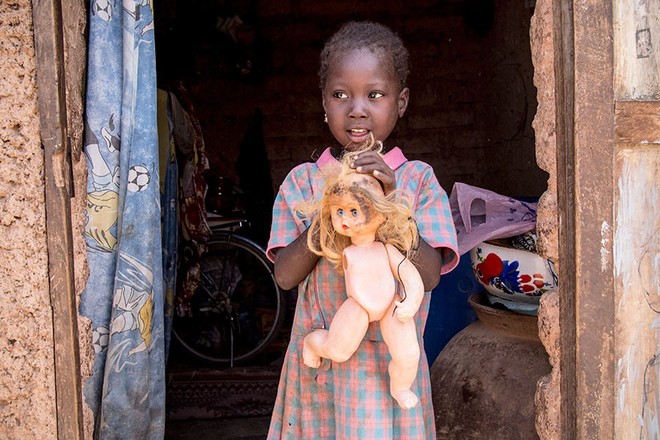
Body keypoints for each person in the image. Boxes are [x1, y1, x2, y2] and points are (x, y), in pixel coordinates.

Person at [266, 20, 459, 439]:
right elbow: (284, 275)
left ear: (401, 102)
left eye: (375, 95)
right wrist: (337, 207)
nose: (357, 109)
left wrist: (385, 207)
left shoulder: (418, 181)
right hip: (321, 376)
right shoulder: (304, 183)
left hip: (389, 373)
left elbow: (428, 276)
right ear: (324, 102)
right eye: (340, 95)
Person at [301, 141, 425, 410]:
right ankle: (312, 343)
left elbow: (409, 273)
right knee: (338, 350)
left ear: (381, 215)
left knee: (408, 353)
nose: (345, 219)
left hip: (392, 306)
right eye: (339, 211)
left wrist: (411, 301)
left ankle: (400, 387)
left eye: (354, 211)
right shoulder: (345, 249)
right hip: (357, 307)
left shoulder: (386, 249)